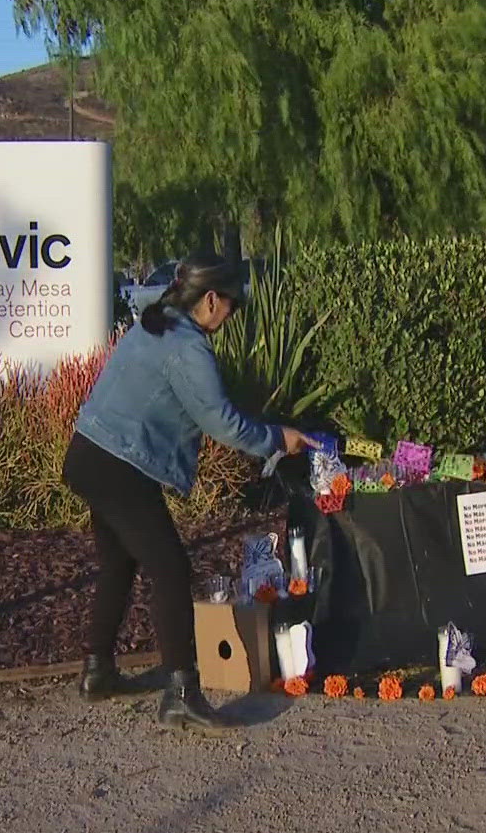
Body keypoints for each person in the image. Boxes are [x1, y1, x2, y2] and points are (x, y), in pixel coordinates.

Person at [64, 252, 318, 731]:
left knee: (119, 562)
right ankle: (181, 691)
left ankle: (97, 670)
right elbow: (218, 419)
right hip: (118, 465)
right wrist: (275, 438)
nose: (232, 315)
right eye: (233, 305)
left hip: (90, 454)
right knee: (171, 568)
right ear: (211, 299)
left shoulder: (157, 324)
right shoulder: (186, 346)